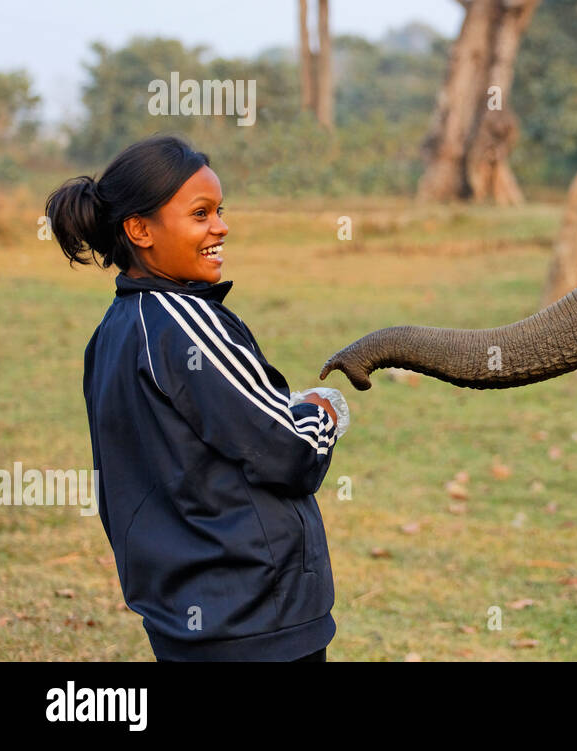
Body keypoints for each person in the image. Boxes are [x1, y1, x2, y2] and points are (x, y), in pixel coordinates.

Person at [45, 134, 350, 661]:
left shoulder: (114, 331)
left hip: (186, 618)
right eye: (200, 213)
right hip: (256, 619)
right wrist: (322, 411)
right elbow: (290, 452)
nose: (221, 227)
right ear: (139, 230)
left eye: (220, 210)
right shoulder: (186, 323)